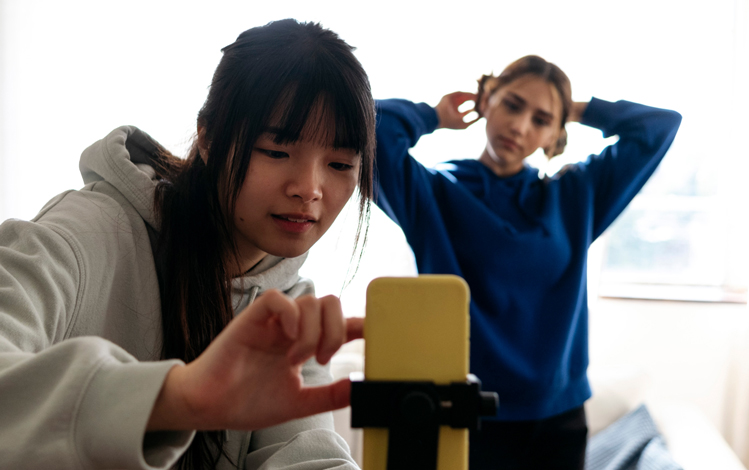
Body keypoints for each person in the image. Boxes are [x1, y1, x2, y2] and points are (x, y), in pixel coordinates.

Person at [0, 19, 374, 470]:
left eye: (339, 163)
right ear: (210, 139)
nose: (309, 189)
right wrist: (178, 398)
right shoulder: (88, 233)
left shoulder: (287, 306)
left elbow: (308, 457)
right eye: (276, 152)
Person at [373, 55, 682, 469]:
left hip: (557, 422)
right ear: (487, 101)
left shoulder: (574, 197)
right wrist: (433, 115)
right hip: (464, 413)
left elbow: (659, 127)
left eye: (541, 119)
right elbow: (370, 129)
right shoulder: (435, 195)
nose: (519, 127)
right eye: (512, 105)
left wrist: (576, 108)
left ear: (556, 134)